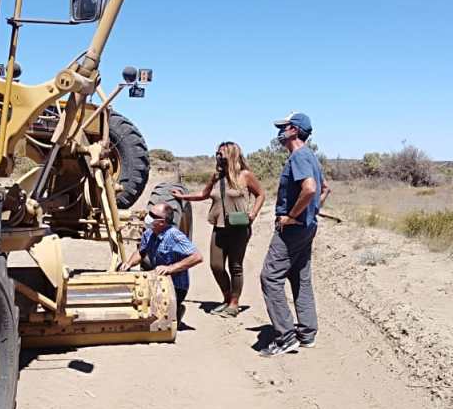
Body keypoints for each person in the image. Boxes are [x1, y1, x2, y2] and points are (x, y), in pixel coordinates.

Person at [259, 112, 331, 357]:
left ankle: (286, 337)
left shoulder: (299, 156)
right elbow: (325, 189)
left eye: (284, 127)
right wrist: (312, 213)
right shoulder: (310, 156)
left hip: (292, 229)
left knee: (270, 277)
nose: (280, 131)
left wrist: (292, 216)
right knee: (300, 277)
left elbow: (310, 189)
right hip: (307, 227)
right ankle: (307, 333)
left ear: (294, 130)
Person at [173, 142, 265, 317]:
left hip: (239, 227)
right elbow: (203, 195)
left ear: (231, 155)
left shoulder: (245, 176)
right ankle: (227, 297)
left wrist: (253, 213)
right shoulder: (216, 177)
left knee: (235, 266)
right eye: (217, 154)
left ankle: (234, 303)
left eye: (221, 154)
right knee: (216, 265)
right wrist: (182, 197)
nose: (218, 157)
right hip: (219, 227)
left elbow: (261, 194)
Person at [118, 201, 203, 324]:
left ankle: (177, 308)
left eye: (152, 215)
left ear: (162, 222)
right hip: (157, 281)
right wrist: (129, 263)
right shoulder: (149, 233)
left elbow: (197, 256)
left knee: (161, 320)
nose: (148, 217)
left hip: (176, 285)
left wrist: (171, 268)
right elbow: (141, 252)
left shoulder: (174, 236)